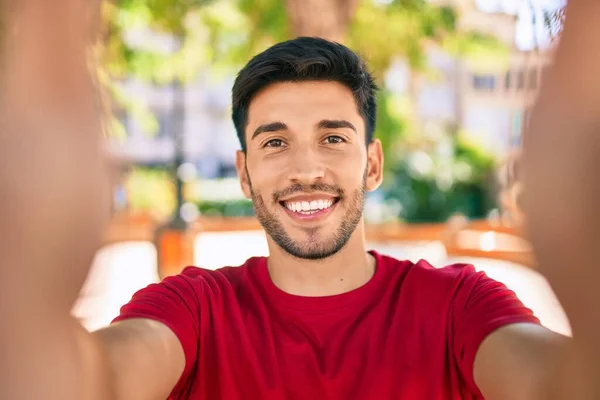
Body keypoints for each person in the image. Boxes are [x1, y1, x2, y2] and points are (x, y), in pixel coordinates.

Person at [1, 1, 599, 399]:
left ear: (372, 163)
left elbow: (559, 385)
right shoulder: (195, 308)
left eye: (333, 138)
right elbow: (86, 384)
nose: (306, 169)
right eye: (275, 141)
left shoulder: (458, 308)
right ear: (243, 173)